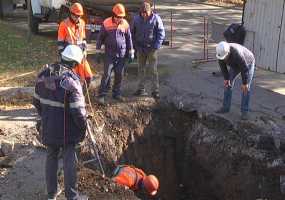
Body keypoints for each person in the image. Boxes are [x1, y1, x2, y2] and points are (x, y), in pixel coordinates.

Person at [33, 45, 88, 200]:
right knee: (69, 160)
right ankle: (72, 196)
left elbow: (36, 102)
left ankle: (51, 195)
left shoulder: (43, 74)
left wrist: (45, 117)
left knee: (51, 157)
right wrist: (82, 128)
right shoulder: (72, 83)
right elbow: (78, 113)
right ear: (75, 64)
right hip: (67, 132)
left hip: (48, 127)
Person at [96, 3, 134, 105]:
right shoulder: (106, 23)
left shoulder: (125, 24)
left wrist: (131, 52)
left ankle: (116, 93)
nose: (119, 19)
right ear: (113, 15)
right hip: (109, 54)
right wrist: (98, 52)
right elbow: (100, 38)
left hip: (121, 54)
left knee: (119, 74)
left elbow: (129, 38)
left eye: (121, 17)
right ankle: (101, 95)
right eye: (118, 17)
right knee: (106, 74)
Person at [132, 1, 165, 99]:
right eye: (142, 13)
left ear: (150, 11)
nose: (144, 15)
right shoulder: (136, 19)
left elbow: (161, 33)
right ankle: (141, 89)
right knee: (141, 69)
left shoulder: (156, 19)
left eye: (146, 12)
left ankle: (155, 91)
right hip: (140, 49)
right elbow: (132, 32)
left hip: (152, 49)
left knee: (153, 70)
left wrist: (156, 46)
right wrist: (135, 46)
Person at [215, 41, 255, 120]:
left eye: (225, 57)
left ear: (228, 52)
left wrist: (245, 83)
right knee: (228, 84)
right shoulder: (220, 53)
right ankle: (225, 107)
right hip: (235, 64)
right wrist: (226, 78)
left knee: (246, 88)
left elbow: (244, 69)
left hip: (248, 62)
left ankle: (244, 112)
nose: (223, 59)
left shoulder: (237, 53)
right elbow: (222, 66)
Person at [58, 2, 93, 87]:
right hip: (70, 59)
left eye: (79, 16)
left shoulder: (82, 23)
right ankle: (73, 98)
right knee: (73, 80)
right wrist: (64, 60)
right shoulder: (64, 25)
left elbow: (83, 39)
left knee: (88, 77)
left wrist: (85, 50)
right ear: (71, 13)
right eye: (76, 15)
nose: (78, 18)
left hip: (80, 56)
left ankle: (82, 96)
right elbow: (60, 44)